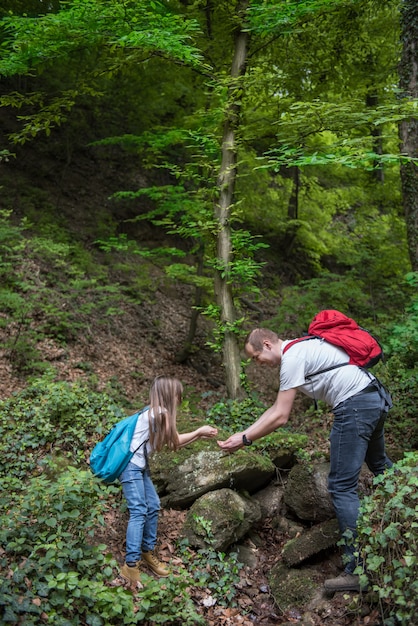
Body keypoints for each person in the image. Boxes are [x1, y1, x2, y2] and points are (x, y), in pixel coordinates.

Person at [217, 328, 393, 593]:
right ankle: (405, 510)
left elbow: (281, 416)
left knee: (341, 487)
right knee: (379, 465)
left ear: (266, 344)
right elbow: (275, 409)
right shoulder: (301, 347)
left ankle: (357, 570)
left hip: (354, 405)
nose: (257, 363)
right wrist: (243, 434)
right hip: (372, 397)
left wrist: (244, 440)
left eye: (255, 357)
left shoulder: (292, 358)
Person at [119, 375, 218, 585]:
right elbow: (176, 441)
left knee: (153, 505)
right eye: (178, 394)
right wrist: (199, 430)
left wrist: (199, 435)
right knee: (139, 511)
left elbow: (172, 444)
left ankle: (146, 552)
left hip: (140, 467)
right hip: (131, 467)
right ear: (170, 395)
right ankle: (131, 565)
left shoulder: (153, 412)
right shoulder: (160, 413)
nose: (180, 398)